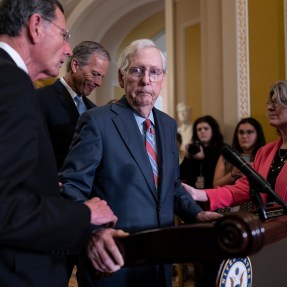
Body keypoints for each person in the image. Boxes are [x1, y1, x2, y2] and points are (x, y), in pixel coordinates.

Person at [59, 39, 221, 287]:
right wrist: (93, 235)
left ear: (162, 79)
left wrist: (197, 214)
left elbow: (171, 186)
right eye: (137, 70)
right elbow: (72, 188)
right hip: (113, 261)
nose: (146, 80)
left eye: (154, 72)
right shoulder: (97, 122)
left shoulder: (167, 126)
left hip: (160, 262)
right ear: (122, 78)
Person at [0, 1, 126, 286]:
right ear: (35, 27)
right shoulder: (11, 83)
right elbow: (5, 204)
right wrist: (84, 214)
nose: (68, 49)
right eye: (63, 35)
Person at [183, 80, 287, 213]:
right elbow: (244, 188)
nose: (270, 108)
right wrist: (199, 194)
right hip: (270, 229)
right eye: (270, 102)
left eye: (277, 102)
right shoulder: (265, 152)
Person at [36, 40, 110, 170]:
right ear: (75, 65)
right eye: (95, 74)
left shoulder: (94, 111)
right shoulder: (41, 98)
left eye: (102, 77)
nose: (99, 83)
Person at [213, 117, 266, 187]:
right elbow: (216, 184)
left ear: (257, 134)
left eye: (249, 132)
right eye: (241, 132)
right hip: (230, 195)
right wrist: (232, 174)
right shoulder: (226, 155)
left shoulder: (265, 154)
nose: (244, 136)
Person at [180, 115, 225, 190]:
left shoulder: (222, 149)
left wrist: (203, 159)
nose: (202, 131)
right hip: (192, 193)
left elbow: (217, 178)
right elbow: (181, 175)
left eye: (206, 129)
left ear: (213, 130)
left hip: (213, 192)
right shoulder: (193, 148)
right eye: (199, 129)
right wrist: (187, 157)